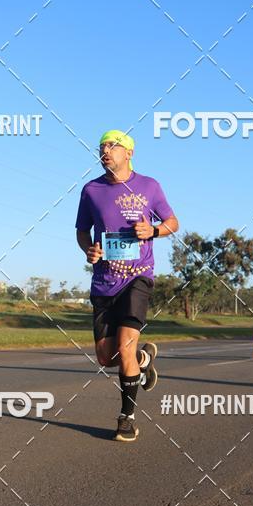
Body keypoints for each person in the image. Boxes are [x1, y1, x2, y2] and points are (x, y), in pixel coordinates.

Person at [76, 130, 179, 441]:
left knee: (125, 346)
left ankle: (127, 418)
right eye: (102, 146)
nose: (105, 151)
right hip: (104, 281)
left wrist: (153, 231)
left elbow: (173, 223)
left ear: (129, 153)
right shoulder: (91, 190)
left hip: (138, 276)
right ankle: (144, 360)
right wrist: (88, 250)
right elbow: (83, 230)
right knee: (107, 358)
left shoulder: (149, 186)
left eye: (112, 146)